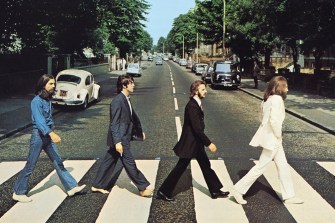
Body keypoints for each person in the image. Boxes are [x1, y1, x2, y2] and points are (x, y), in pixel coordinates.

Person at [12, 74, 86, 203]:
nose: (54, 86)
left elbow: (47, 118)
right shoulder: (36, 101)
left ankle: (71, 187)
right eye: (51, 84)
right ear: (43, 85)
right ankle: (18, 192)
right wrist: (51, 133)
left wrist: (52, 126)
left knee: (58, 162)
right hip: (39, 136)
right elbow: (39, 121)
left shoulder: (47, 100)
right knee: (31, 165)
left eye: (54, 83)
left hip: (47, 135)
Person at [232, 76, 303, 205]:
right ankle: (238, 190)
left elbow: (262, 118)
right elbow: (274, 120)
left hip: (271, 138)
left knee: (283, 166)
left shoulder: (267, 99)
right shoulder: (277, 99)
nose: (287, 89)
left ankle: (289, 196)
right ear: (279, 88)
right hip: (273, 139)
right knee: (260, 167)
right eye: (285, 86)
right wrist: (278, 134)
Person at [156, 80, 229, 201]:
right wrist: (209, 143)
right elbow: (197, 129)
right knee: (180, 167)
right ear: (196, 91)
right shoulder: (192, 106)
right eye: (202, 90)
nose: (205, 92)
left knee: (206, 165)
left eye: (205, 89)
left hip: (196, 143)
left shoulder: (196, 103)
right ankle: (163, 191)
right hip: (191, 143)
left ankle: (215, 190)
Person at [91, 75, 153, 197]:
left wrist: (139, 132)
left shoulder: (126, 98)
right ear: (124, 85)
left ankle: (97, 185)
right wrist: (117, 142)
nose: (134, 85)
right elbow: (114, 124)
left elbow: (130, 119)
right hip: (120, 138)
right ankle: (142, 187)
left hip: (123, 136)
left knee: (109, 161)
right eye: (131, 83)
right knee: (130, 163)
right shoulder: (118, 101)